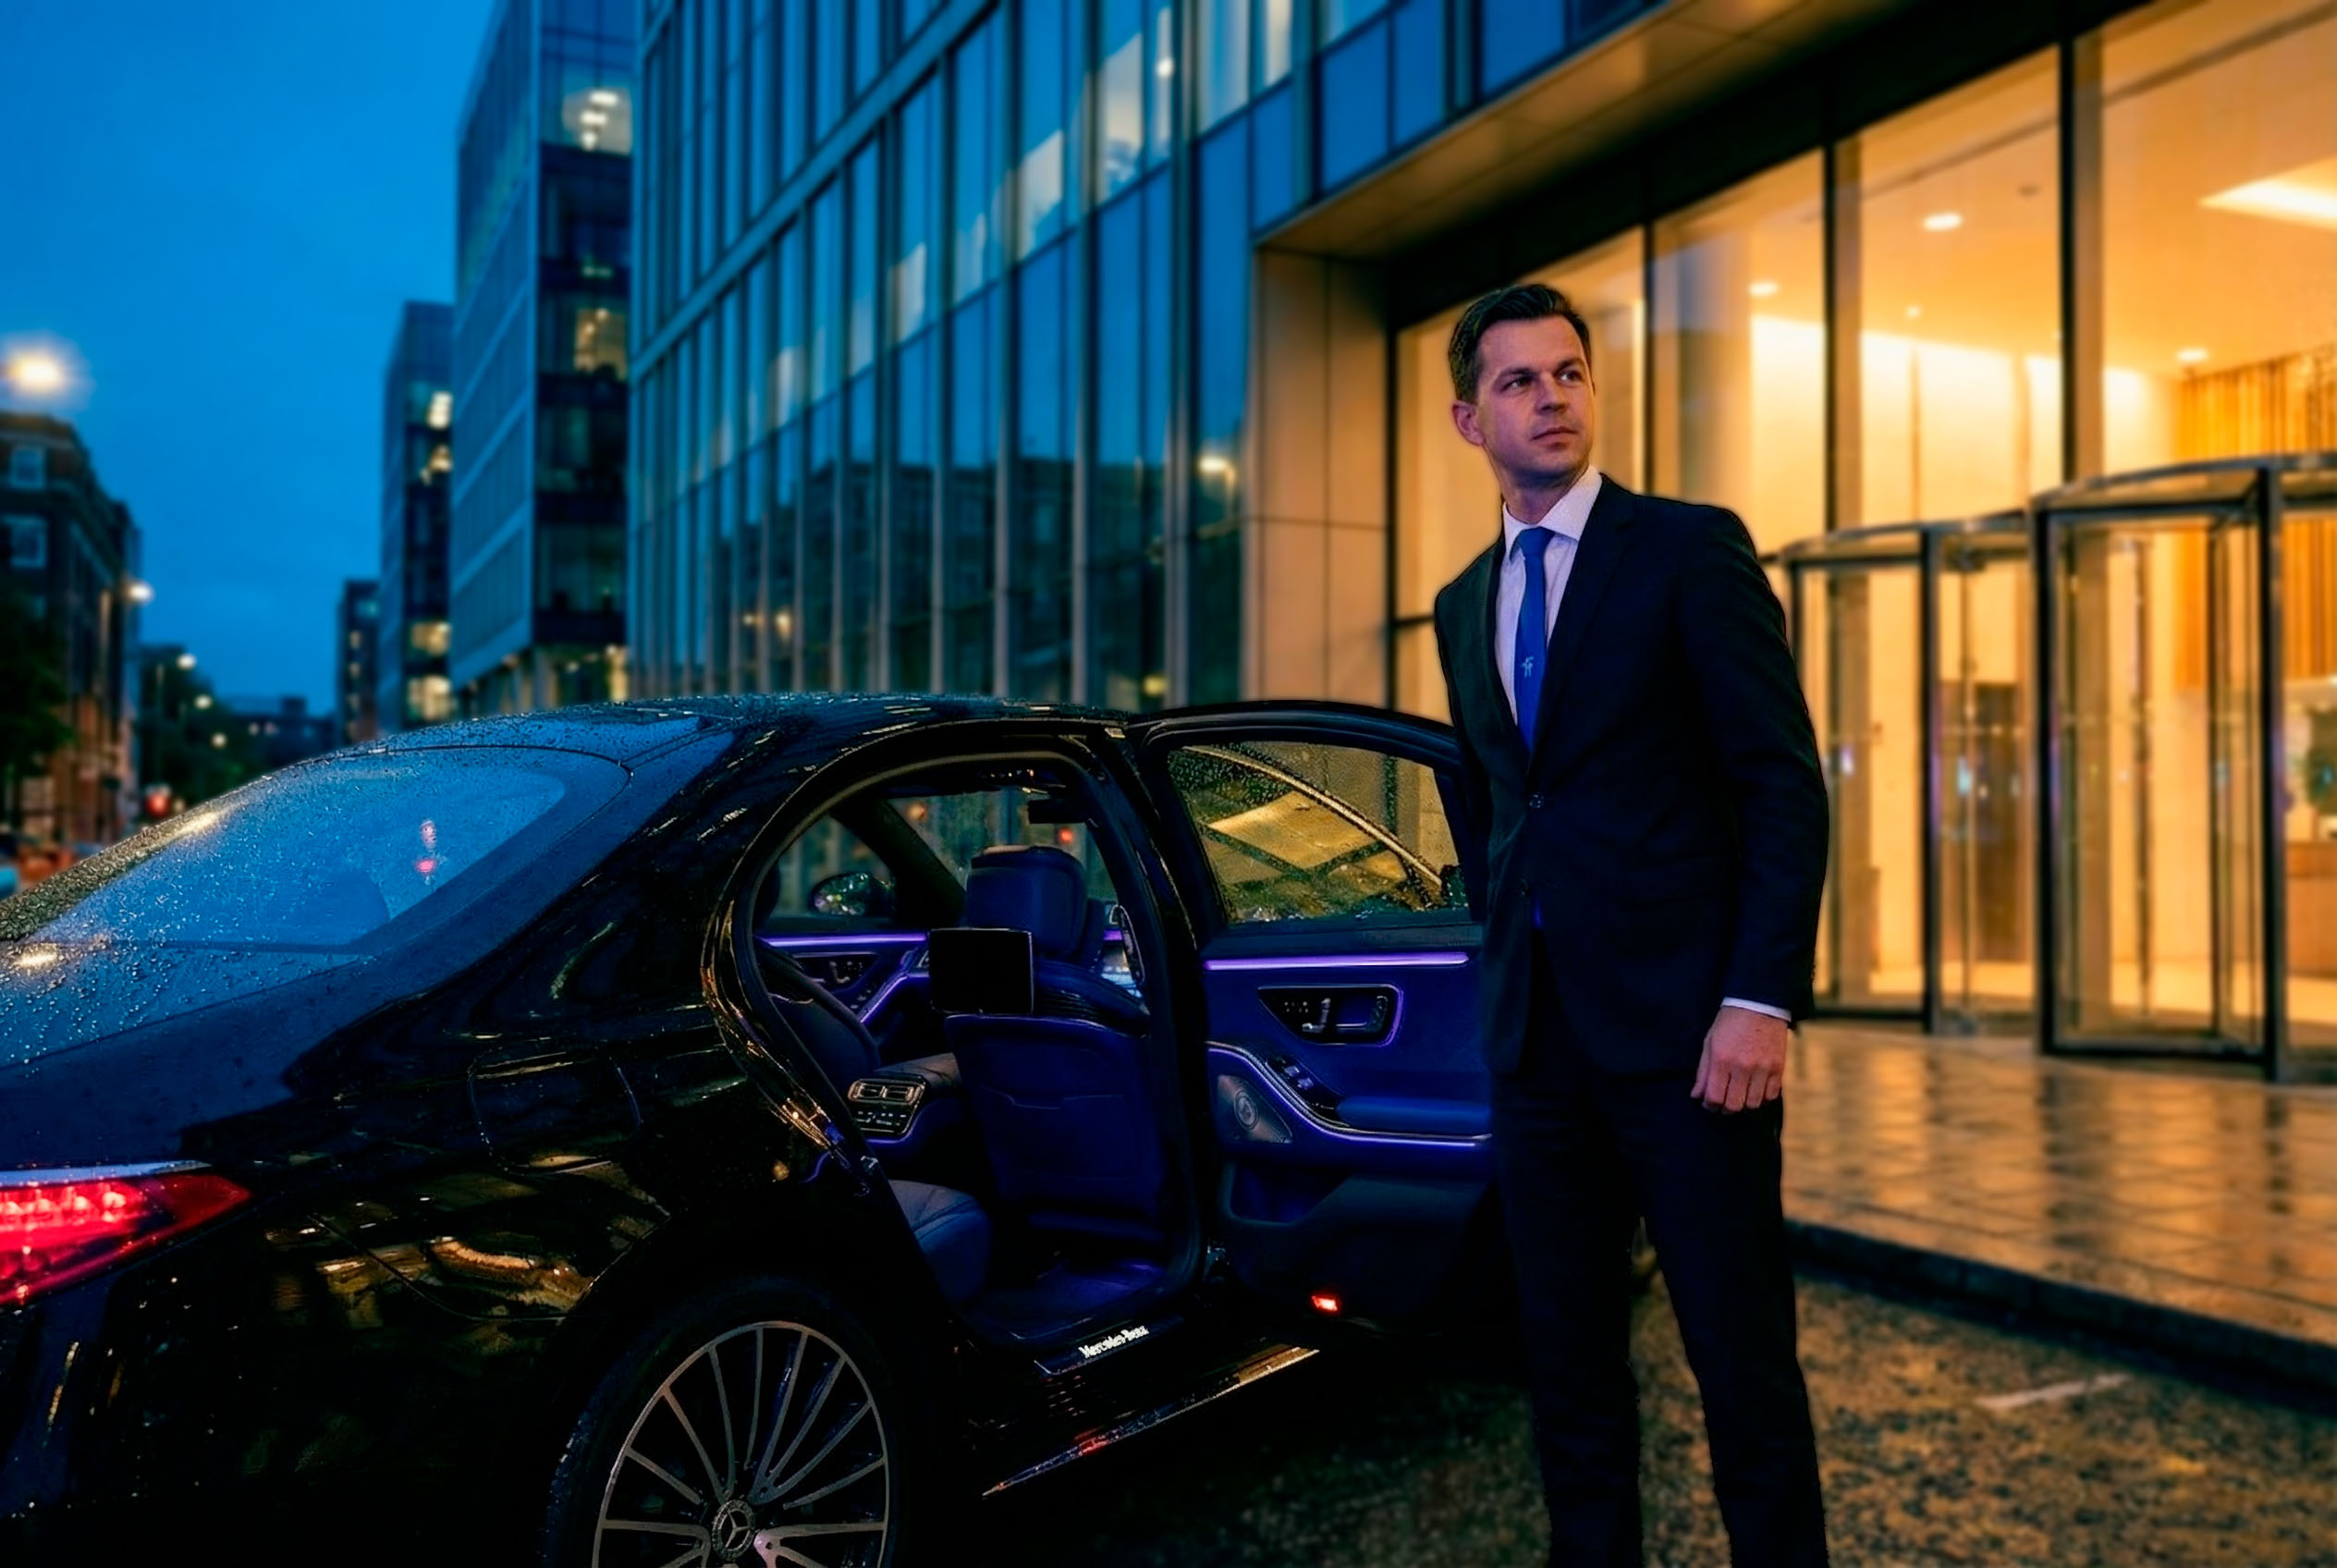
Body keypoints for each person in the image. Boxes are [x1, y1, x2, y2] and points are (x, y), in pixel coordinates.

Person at [1432, 283, 1831, 1566]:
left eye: (1569, 373)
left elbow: (1780, 784)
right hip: (1539, 1050)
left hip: (1694, 1044)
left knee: (1741, 1369)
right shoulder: (1459, 603)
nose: (1552, 398)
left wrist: (1758, 1001)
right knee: (1568, 1371)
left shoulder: (1687, 550)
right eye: (1519, 381)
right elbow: (1503, 807)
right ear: (1469, 419)